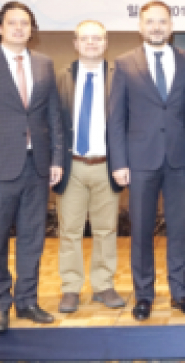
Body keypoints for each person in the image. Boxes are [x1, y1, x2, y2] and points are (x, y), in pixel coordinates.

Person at [0, 1, 63, 334]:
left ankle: (27, 301)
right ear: (0, 28)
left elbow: (53, 116)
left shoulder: (44, 64)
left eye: (25, 23)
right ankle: (0, 304)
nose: (19, 28)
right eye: (13, 22)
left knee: (33, 238)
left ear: (32, 30)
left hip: (37, 167)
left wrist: (57, 160)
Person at [107, 0, 185, 321]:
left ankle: (180, 292)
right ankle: (144, 295)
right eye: (150, 21)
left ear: (171, 26)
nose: (157, 27)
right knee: (142, 231)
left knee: (180, 229)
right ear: (140, 26)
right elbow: (116, 118)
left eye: (162, 22)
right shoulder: (124, 63)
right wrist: (119, 162)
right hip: (139, 160)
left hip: (180, 158)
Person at [53, 20, 124, 314]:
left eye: (97, 38)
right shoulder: (61, 77)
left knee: (106, 229)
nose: (91, 43)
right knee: (69, 230)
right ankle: (71, 287)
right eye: (85, 38)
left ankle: (103, 285)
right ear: (76, 43)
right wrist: (55, 161)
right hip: (72, 166)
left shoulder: (120, 77)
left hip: (107, 166)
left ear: (106, 43)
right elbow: (53, 123)